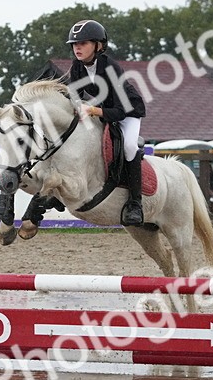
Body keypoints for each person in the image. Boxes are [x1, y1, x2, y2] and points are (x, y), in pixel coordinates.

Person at [22, 19, 147, 231]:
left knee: (129, 146)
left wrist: (92, 110)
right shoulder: (78, 66)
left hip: (127, 112)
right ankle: (59, 195)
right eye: (74, 44)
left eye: (83, 43)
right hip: (101, 109)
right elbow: (74, 95)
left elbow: (119, 110)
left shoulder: (111, 68)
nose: (77, 48)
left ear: (98, 45)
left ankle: (135, 203)